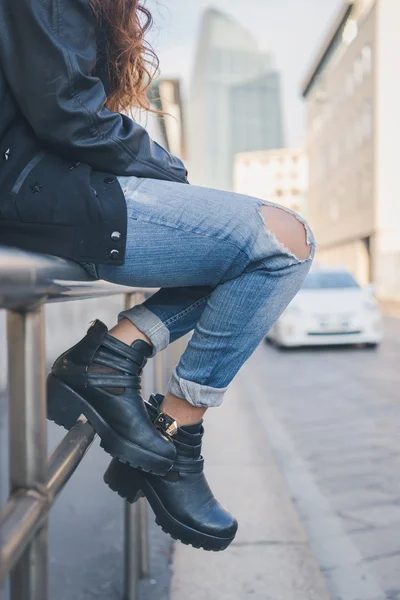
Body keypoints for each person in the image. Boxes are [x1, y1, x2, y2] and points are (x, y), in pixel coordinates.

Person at [0, 0, 315, 552]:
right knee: (282, 244)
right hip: (34, 189)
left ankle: (113, 359)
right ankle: (174, 436)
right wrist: (174, 177)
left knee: (259, 244)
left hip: (44, 184)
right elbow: (65, 108)